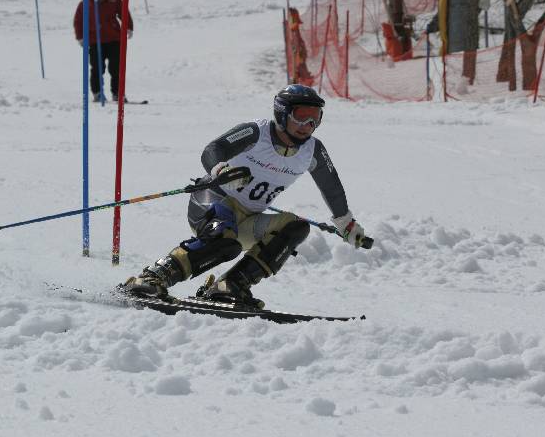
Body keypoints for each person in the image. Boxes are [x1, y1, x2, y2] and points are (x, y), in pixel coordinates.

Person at [123, 84, 369, 309]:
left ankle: (230, 285)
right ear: (282, 113)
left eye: (315, 117)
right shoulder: (256, 132)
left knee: (296, 227)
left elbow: (331, 186)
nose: (307, 124)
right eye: (301, 115)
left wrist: (345, 222)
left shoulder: (313, 150)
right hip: (214, 200)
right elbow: (213, 150)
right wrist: (221, 170)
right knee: (224, 241)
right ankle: (152, 277)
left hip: (249, 217)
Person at [72, 0, 134, 102]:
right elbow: (78, 20)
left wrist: (128, 27)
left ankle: (118, 93)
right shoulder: (85, 2)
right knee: (97, 68)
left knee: (116, 68)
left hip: (114, 39)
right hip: (95, 41)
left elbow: (124, 13)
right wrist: (80, 37)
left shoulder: (114, 0)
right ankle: (97, 93)